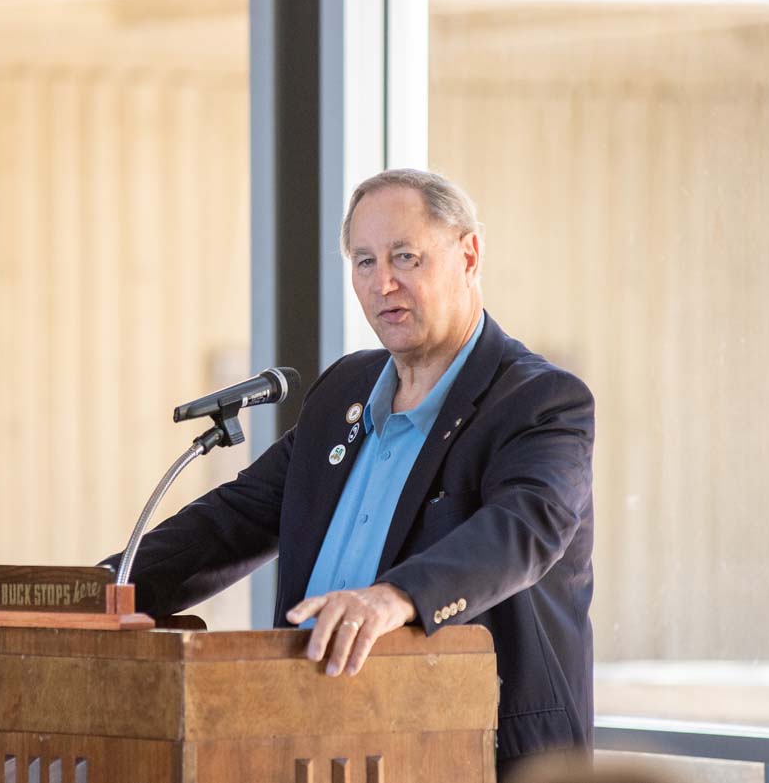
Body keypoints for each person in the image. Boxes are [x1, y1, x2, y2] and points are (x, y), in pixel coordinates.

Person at [101, 168, 595, 774]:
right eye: (364, 262)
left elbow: (525, 528)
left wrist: (396, 598)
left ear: (468, 255)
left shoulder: (540, 399)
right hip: (321, 741)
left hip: (476, 750)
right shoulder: (345, 393)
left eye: (405, 257)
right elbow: (234, 520)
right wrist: (99, 590)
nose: (383, 282)